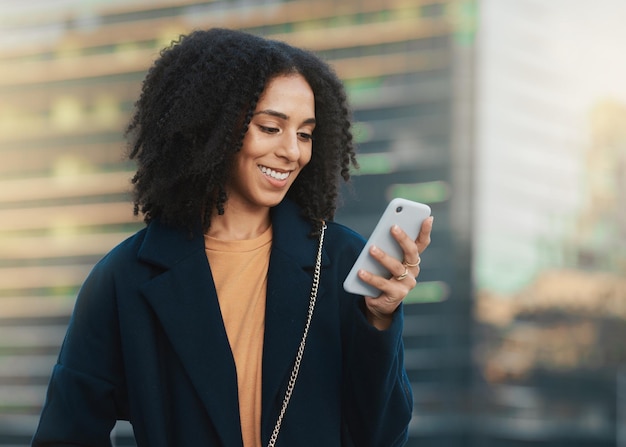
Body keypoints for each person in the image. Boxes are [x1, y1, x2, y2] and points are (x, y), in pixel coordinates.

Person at [32, 28, 433, 447]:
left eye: (304, 133)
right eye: (270, 127)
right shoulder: (124, 278)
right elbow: (67, 433)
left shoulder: (340, 260)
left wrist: (380, 318)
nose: (293, 152)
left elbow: (381, 435)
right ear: (213, 127)